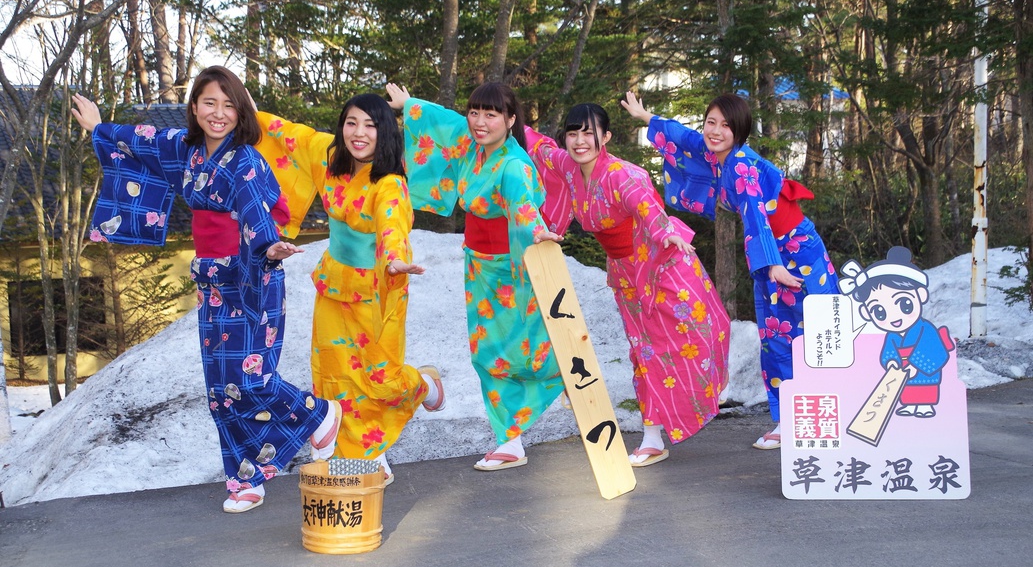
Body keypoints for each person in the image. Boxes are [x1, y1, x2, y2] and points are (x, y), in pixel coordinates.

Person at [71, 66, 342, 513]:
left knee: (251, 379)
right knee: (221, 388)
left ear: (242, 111)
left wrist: (269, 245)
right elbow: (141, 142)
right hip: (211, 281)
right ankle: (245, 480)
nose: (219, 114)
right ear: (194, 107)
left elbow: (256, 213)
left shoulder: (247, 161)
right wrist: (99, 126)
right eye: (209, 103)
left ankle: (318, 414)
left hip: (252, 276)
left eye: (228, 104)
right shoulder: (185, 150)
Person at [622, 91, 839, 450]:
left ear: (740, 131)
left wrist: (772, 266)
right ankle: (791, 421)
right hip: (774, 250)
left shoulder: (739, 164)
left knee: (818, 330)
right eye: (711, 122)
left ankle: (827, 412)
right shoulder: (713, 154)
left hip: (795, 250)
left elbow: (754, 211)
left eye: (726, 125)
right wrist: (648, 118)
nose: (716, 131)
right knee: (777, 337)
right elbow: (684, 137)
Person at [252, 94, 444, 485]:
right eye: (352, 123)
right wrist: (244, 111)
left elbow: (393, 223)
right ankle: (365, 460)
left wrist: (394, 258)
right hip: (333, 285)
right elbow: (289, 134)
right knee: (336, 379)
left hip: (376, 287)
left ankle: (423, 384)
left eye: (371, 125)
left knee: (380, 377)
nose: (359, 133)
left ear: (385, 133)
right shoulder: (328, 156)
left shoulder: (390, 184)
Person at [524, 104, 730, 466]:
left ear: (606, 137)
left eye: (589, 133)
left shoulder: (622, 175)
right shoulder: (568, 166)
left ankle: (706, 391)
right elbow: (535, 144)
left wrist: (666, 233)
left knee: (698, 337)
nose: (579, 141)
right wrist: (501, 118)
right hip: (626, 273)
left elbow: (648, 209)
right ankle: (651, 436)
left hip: (664, 265)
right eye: (573, 134)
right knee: (644, 350)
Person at [385, 82, 563, 471]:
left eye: (492, 114)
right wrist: (410, 104)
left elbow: (522, 203)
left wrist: (536, 231)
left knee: (517, 352)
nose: (480, 122)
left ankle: (545, 396)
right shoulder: (472, 147)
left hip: (510, 269)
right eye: (475, 112)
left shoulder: (513, 164)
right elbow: (445, 124)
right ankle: (509, 439)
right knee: (485, 353)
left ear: (511, 120)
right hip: (478, 266)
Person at [838, 247, 950, 418]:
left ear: (920, 295)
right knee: (905, 392)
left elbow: (932, 350)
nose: (894, 317)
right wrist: (891, 362)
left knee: (924, 391)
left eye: (904, 304)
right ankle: (911, 406)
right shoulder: (892, 335)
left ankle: (924, 406)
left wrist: (915, 365)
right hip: (903, 370)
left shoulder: (925, 329)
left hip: (923, 372)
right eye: (880, 312)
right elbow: (888, 352)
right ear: (867, 313)